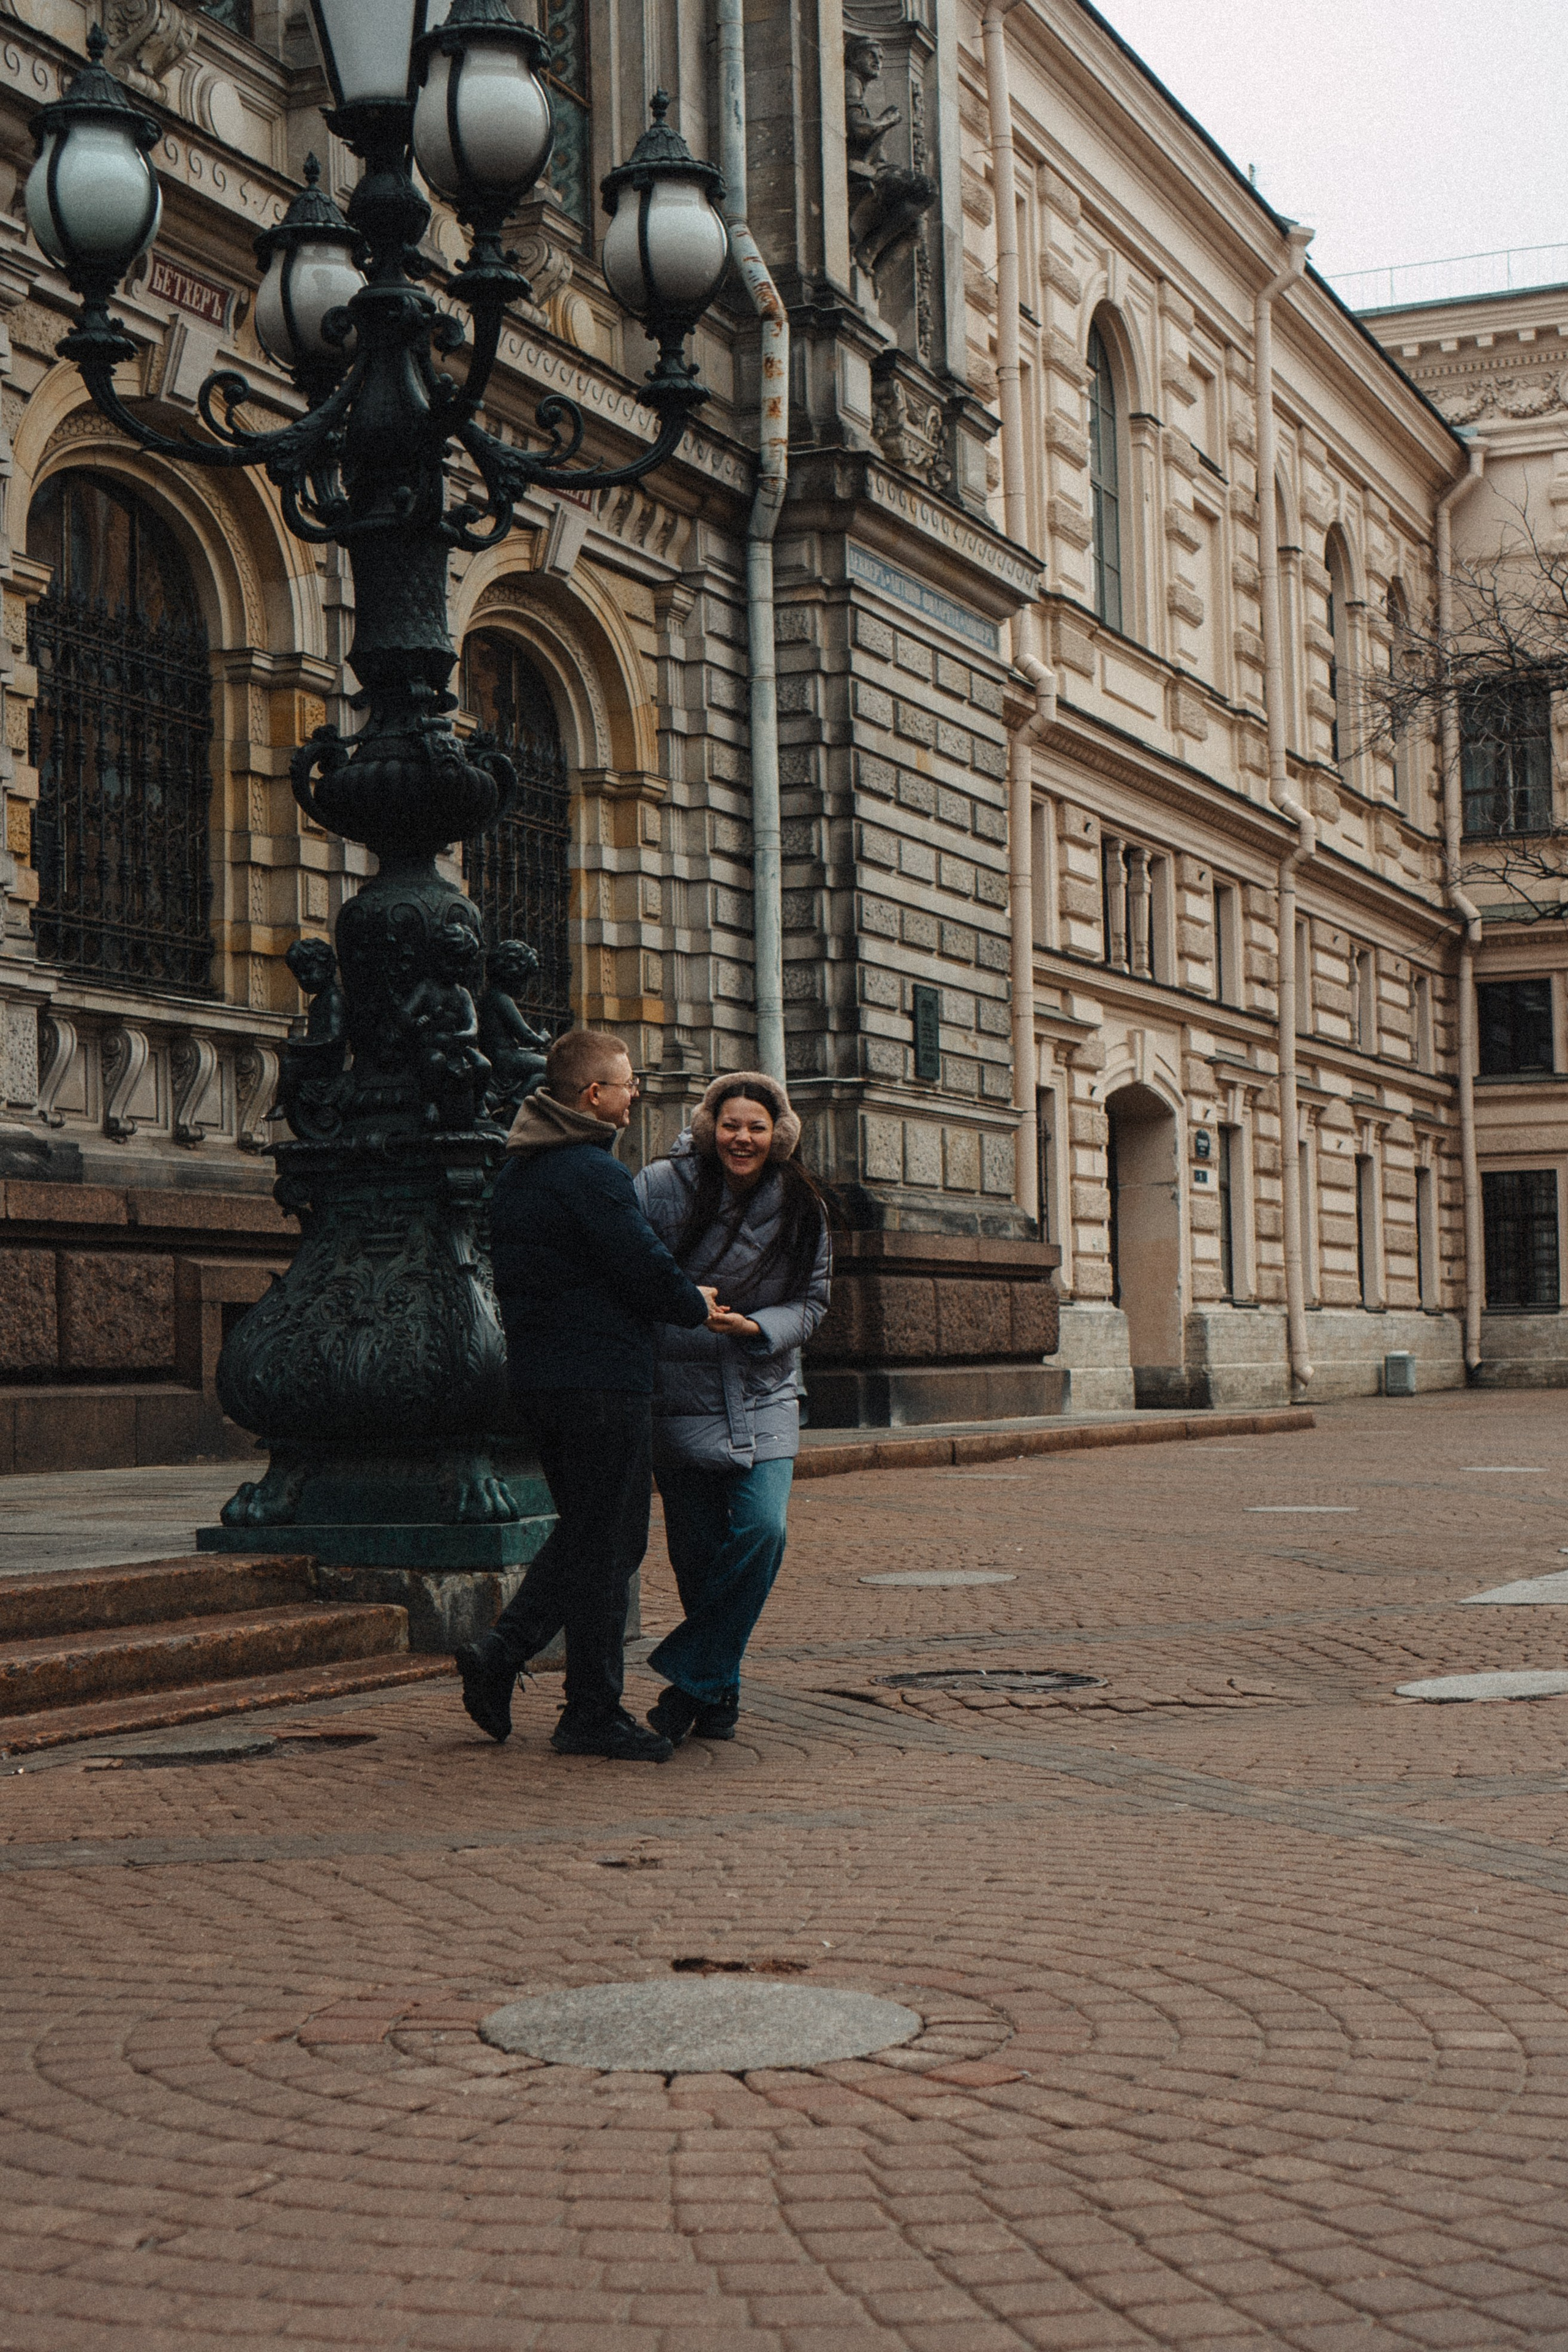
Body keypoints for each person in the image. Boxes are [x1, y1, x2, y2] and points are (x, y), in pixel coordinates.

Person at [454, 1030, 718, 1762]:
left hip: (543, 1380)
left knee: (596, 1534)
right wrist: (696, 1304)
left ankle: (548, 1682)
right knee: (608, 1537)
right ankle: (555, 1689)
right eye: (626, 1084)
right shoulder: (589, 1173)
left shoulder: (522, 1172)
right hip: (602, 1382)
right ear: (592, 1095)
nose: (635, 1095)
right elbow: (643, 1267)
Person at [633, 1071, 832, 1745]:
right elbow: (622, 1268)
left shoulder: (803, 1204)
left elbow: (813, 1301)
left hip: (764, 1385)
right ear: (708, 1126)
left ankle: (688, 1677)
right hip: (678, 1391)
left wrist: (756, 1327)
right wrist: (683, 1304)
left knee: (761, 1531)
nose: (741, 1137)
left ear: (777, 1134)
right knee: (696, 1557)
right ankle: (717, 1691)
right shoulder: (660, 1187)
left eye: (755, 1126)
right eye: (730, 1124)